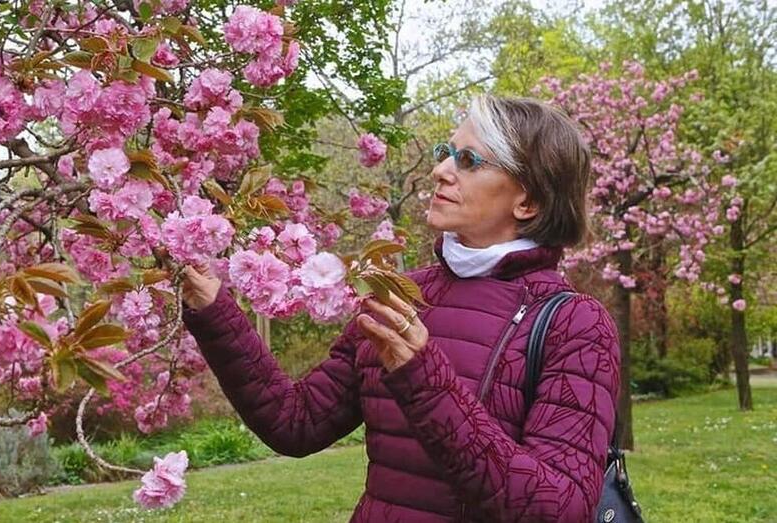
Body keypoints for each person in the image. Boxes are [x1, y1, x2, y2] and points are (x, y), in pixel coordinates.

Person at [181, 95, 620, 522]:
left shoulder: (575, 324)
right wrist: (215, 312)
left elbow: (559, 509)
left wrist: (424, 380)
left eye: (468, 162)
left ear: (528, 201)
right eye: (446, 152)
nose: (441, 170)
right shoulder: (401, 295)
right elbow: (295, 422)